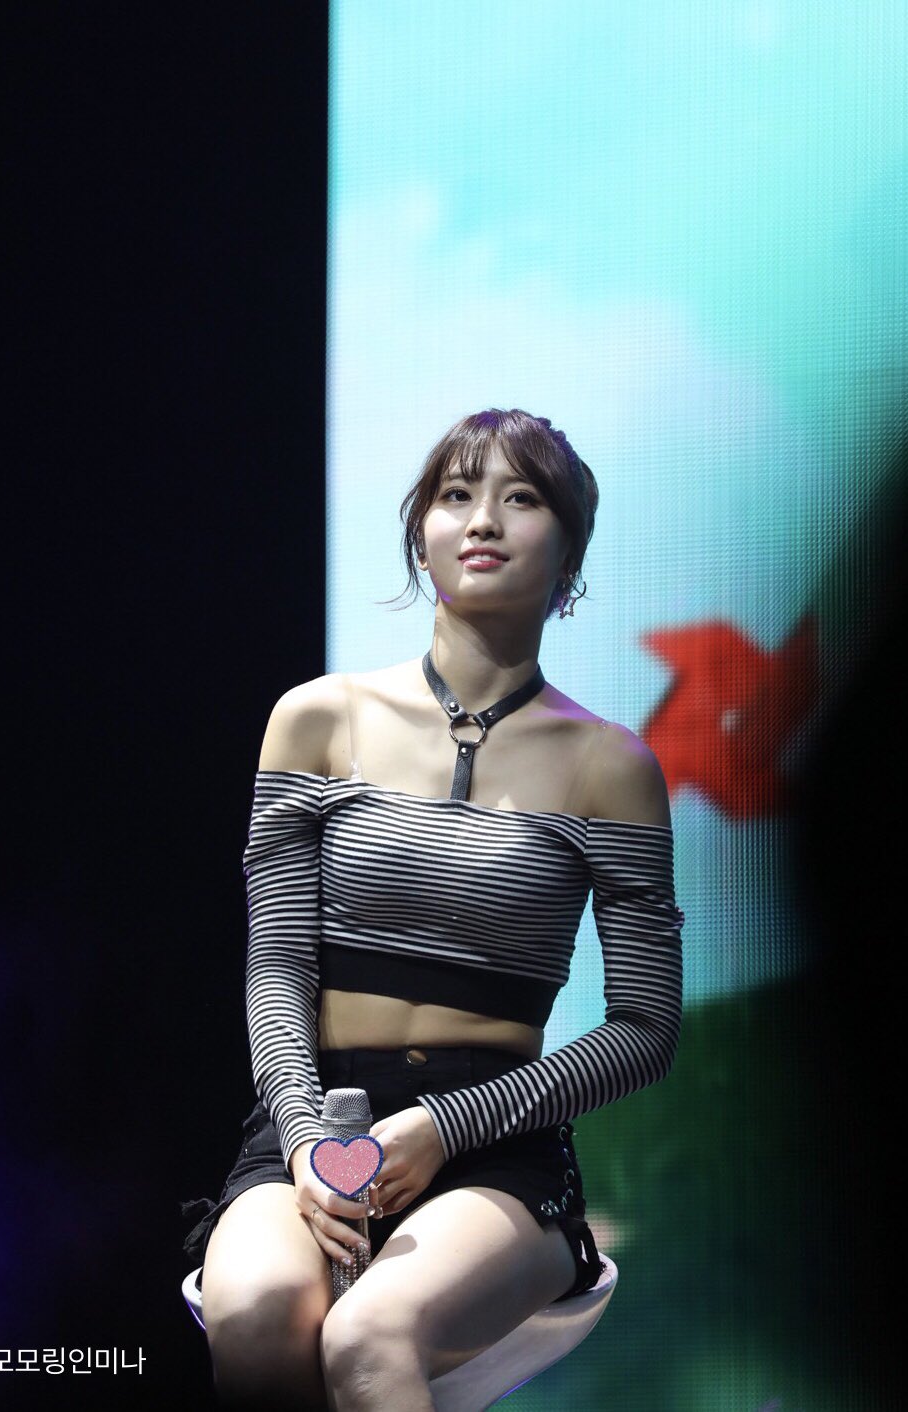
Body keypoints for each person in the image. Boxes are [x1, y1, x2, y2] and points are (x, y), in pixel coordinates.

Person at [180, 408, 685, 1411]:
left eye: (520, 496)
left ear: (570, 551)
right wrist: (303, 1138)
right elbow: (277, 965)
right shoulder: (317, 719)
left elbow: (644, 1027)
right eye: (456, 494)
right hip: (311, 1115)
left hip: (495, 1141)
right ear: (421, 535)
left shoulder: (611, 764)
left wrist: (446, 1127)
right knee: (258, 1305)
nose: (482, 518)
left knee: (371, 1332)